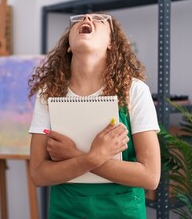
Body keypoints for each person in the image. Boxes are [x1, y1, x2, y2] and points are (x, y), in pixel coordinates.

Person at [28, 13, 161, 219]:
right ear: (69, 46)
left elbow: (150, 177)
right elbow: (38, 174)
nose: (87, 18)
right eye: (79, 20)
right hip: (66, 212)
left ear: (111, 42)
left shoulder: (135, 91)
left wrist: (75, 155)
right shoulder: (49, 93)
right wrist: (94, 156)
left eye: (99, 19)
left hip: (123, 212)